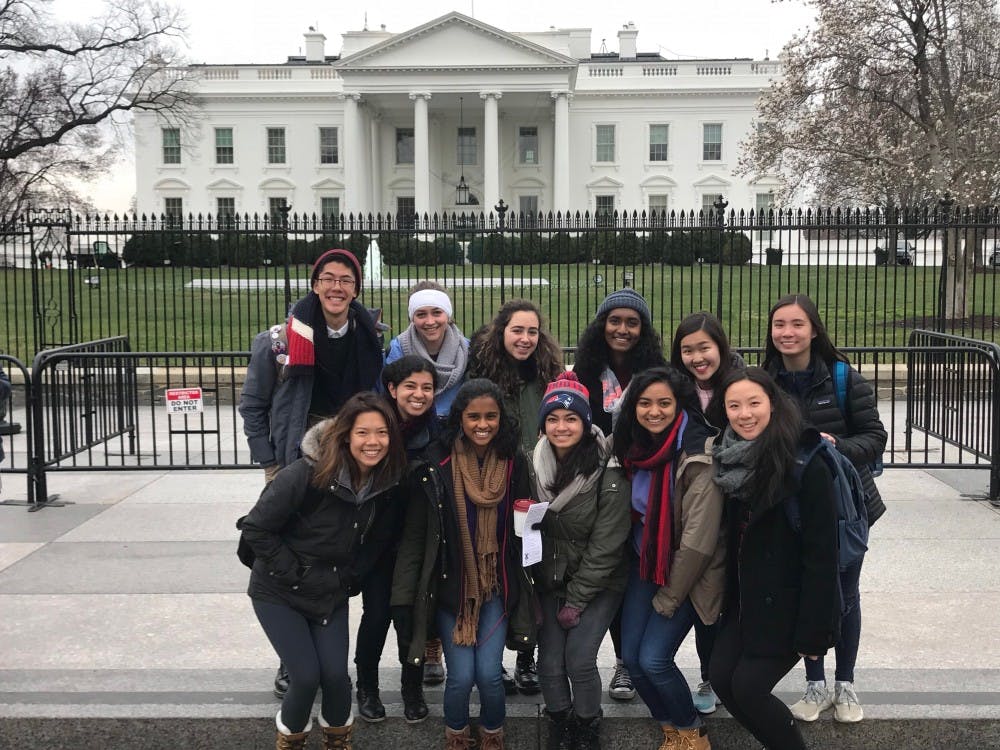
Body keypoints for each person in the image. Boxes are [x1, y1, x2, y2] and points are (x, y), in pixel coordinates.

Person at [238, 248, 385, 701]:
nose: (337, 287)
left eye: (346, 280)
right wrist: (269, 462)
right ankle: (292, 655)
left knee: (333, 551)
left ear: (356, 289)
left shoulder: (370, 335)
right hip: (297, 461)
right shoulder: (278, 342)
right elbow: (254, 406)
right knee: (291, 549)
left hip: (352, 459)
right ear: (315, 283)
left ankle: (324, 650)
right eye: (329, 278)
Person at [238, 392, 407, 750]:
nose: (373, 442)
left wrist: (350, 577)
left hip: (330, 591)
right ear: (345, 435)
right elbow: (255, 528)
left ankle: (338, 741)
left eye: (382, 433)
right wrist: (295, 573)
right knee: (304, 677)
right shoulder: (304, 474)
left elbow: (377, 541)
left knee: (335, 677)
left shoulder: (384, 481)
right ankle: (290, 742)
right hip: (279, 591)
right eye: (363, 432)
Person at [391, 378, 536, 750]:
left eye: (491, 416)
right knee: (460, 677)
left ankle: (492, 733)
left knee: (488, 675)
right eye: (474, 417)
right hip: (451, 588)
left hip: (496, 584)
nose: (482, 424)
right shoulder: (436, 463)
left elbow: (528, 526)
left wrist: (530, 524)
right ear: (460, 419)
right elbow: (416, 537)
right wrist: (404, 596)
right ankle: (456, 735)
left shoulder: (515, 462)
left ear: (501, 419)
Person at [763, 294, 887, 724]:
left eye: (797, 324)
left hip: (846, 508)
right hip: (792, 508)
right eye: (779, 324)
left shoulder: (842, 378)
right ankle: (814, 684)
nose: (787, 333)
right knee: (808, 592)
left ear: (814, 330)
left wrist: (836, 447)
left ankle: (845, 683)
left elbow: (875, 437)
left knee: (845, 595)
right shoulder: (765, 382)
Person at [709, 367, 841, 750]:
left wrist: (814, 631)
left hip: (791, 603)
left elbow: (822, 557)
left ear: (773, 404)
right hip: (747, 600)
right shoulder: (729, 457)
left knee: (749, 688)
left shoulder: (805, 463)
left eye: (754, 403)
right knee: (721, 677)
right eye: (734, 406)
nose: (744, 414)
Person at [613, 366, 724, 750]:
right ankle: (672, 732)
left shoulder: (698, 455)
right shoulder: (634, 447)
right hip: (646, 563)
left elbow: (697, 543)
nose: (654, 411)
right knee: (631, 659)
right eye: (645, 403)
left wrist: (669, 598)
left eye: (664, 403)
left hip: (690, 573)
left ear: (680, 405)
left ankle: (694, 735)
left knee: (654, 660)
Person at [573, 288, 666, 701]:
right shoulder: (585, 372)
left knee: (636, 577)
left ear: (643, 329)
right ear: (602, 325)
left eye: (632, 322)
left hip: (644, 483)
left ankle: (630, 660)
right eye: (615, 321)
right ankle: (620, 661)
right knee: (610, 572)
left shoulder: (657, 372)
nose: (622, 329)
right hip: (597, 486)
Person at [468, 298, 562, 695]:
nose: (525, 338)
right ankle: (494, 659)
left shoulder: (549, 373)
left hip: (540, 484)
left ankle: (527, 656)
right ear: (501, 332)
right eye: (517, 330)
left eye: (532, 331)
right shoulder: (481, 371)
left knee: (533, 570)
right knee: (495, 569)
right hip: (496, 481)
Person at [532, 371, 630, 750]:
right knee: (548, 662)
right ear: (543, 424)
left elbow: (607, 544)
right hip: (552, 578)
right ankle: (560, 725)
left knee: (579, 658)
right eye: (553, 418)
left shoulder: (608, 467)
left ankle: (588, 728)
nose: (562, 427)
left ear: (585, 423)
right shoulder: (533, 463)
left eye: (571, 418)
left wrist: (576, 599)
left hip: (599, 580)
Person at [668, 311, 745, 714]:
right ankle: (709, 675)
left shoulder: (741, 384)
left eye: (704, 348)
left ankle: (732, 672)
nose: (697, 358)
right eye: (687, 350)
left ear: (721, 347)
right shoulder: (676, 389)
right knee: (707, 596)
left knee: (735, 593)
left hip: (739, 503)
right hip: (697, 502)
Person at [382, 354, 446, 695]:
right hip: (381, 525)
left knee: (424, 595)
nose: (419, 394)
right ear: (392, 389)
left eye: (427, 387)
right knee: (381, 610)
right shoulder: (377, 424)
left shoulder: (438, 431)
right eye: (411, 386)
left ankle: (428, 651)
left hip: (420, 524)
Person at [385, 282, 469, 417]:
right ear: (412, 318)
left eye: (437, 313)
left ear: (448, 315)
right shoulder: (397, 350)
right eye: (421, 314)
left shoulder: (467, 350)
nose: (430, 321)